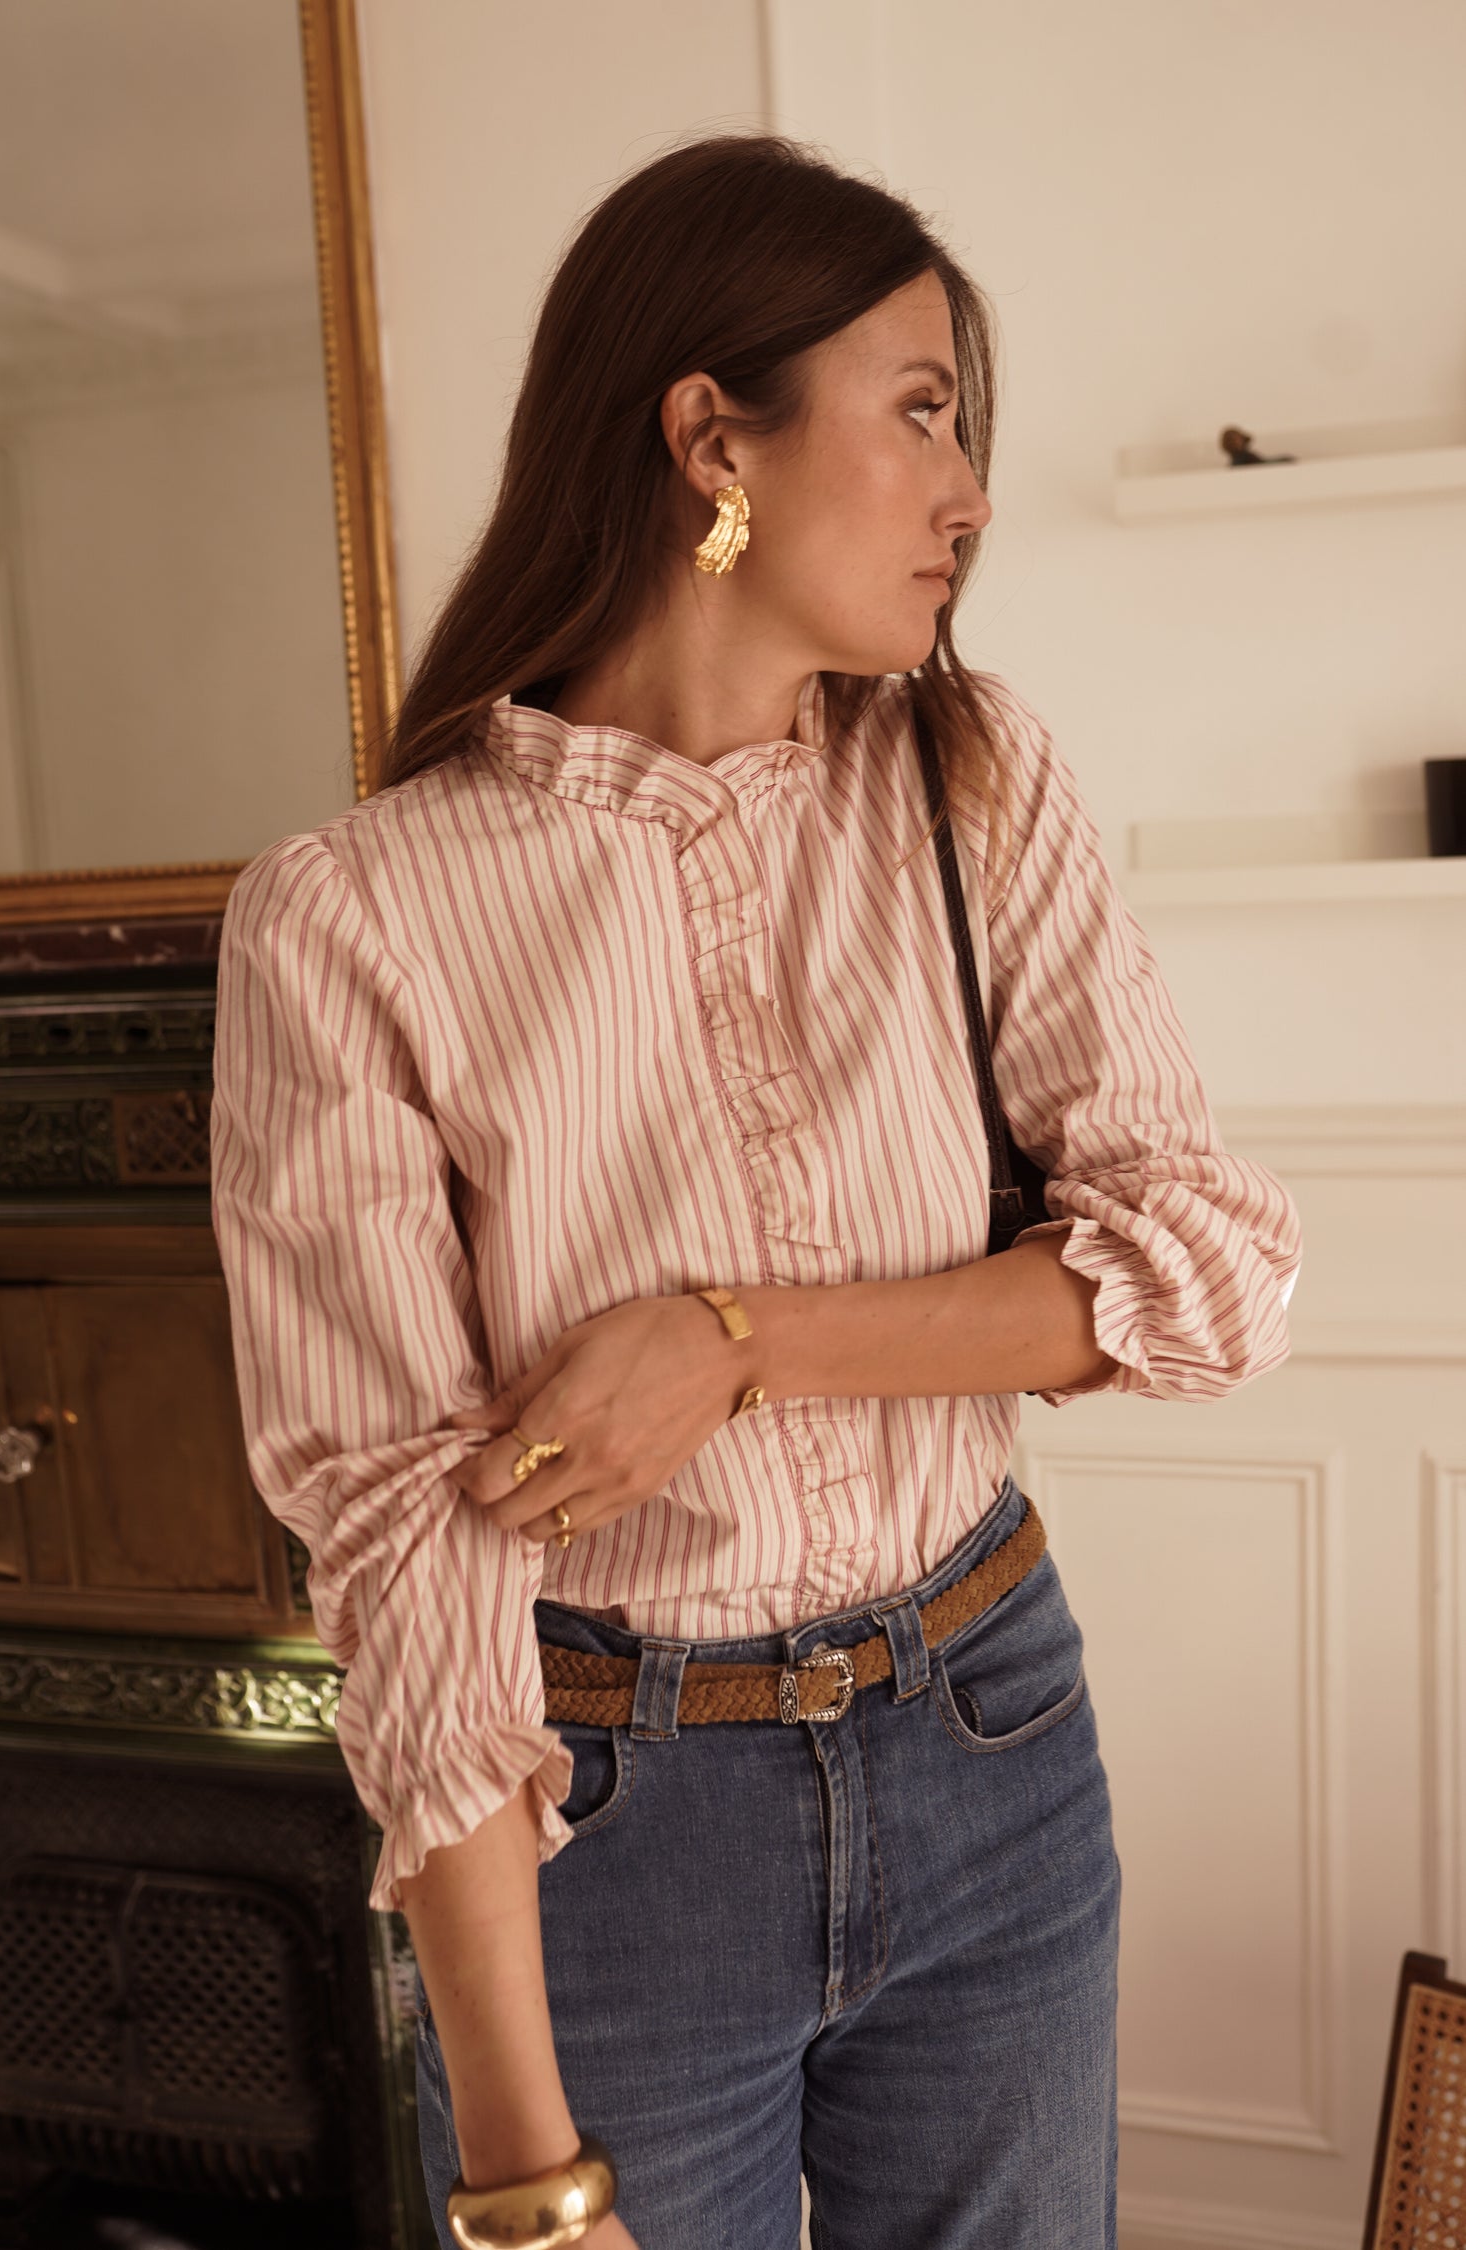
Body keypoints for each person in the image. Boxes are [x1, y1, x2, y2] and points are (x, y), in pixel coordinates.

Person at [209, 134, 1302, 2250]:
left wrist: (736, 1346)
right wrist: (523, 2173)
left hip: (990, 1737)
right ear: (713, 438)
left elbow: (1206, 1270)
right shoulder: (352, 916)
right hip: (608, 1828)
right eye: (920, 412)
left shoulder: (976, 783)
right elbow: (404, 1546)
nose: (968, 492)